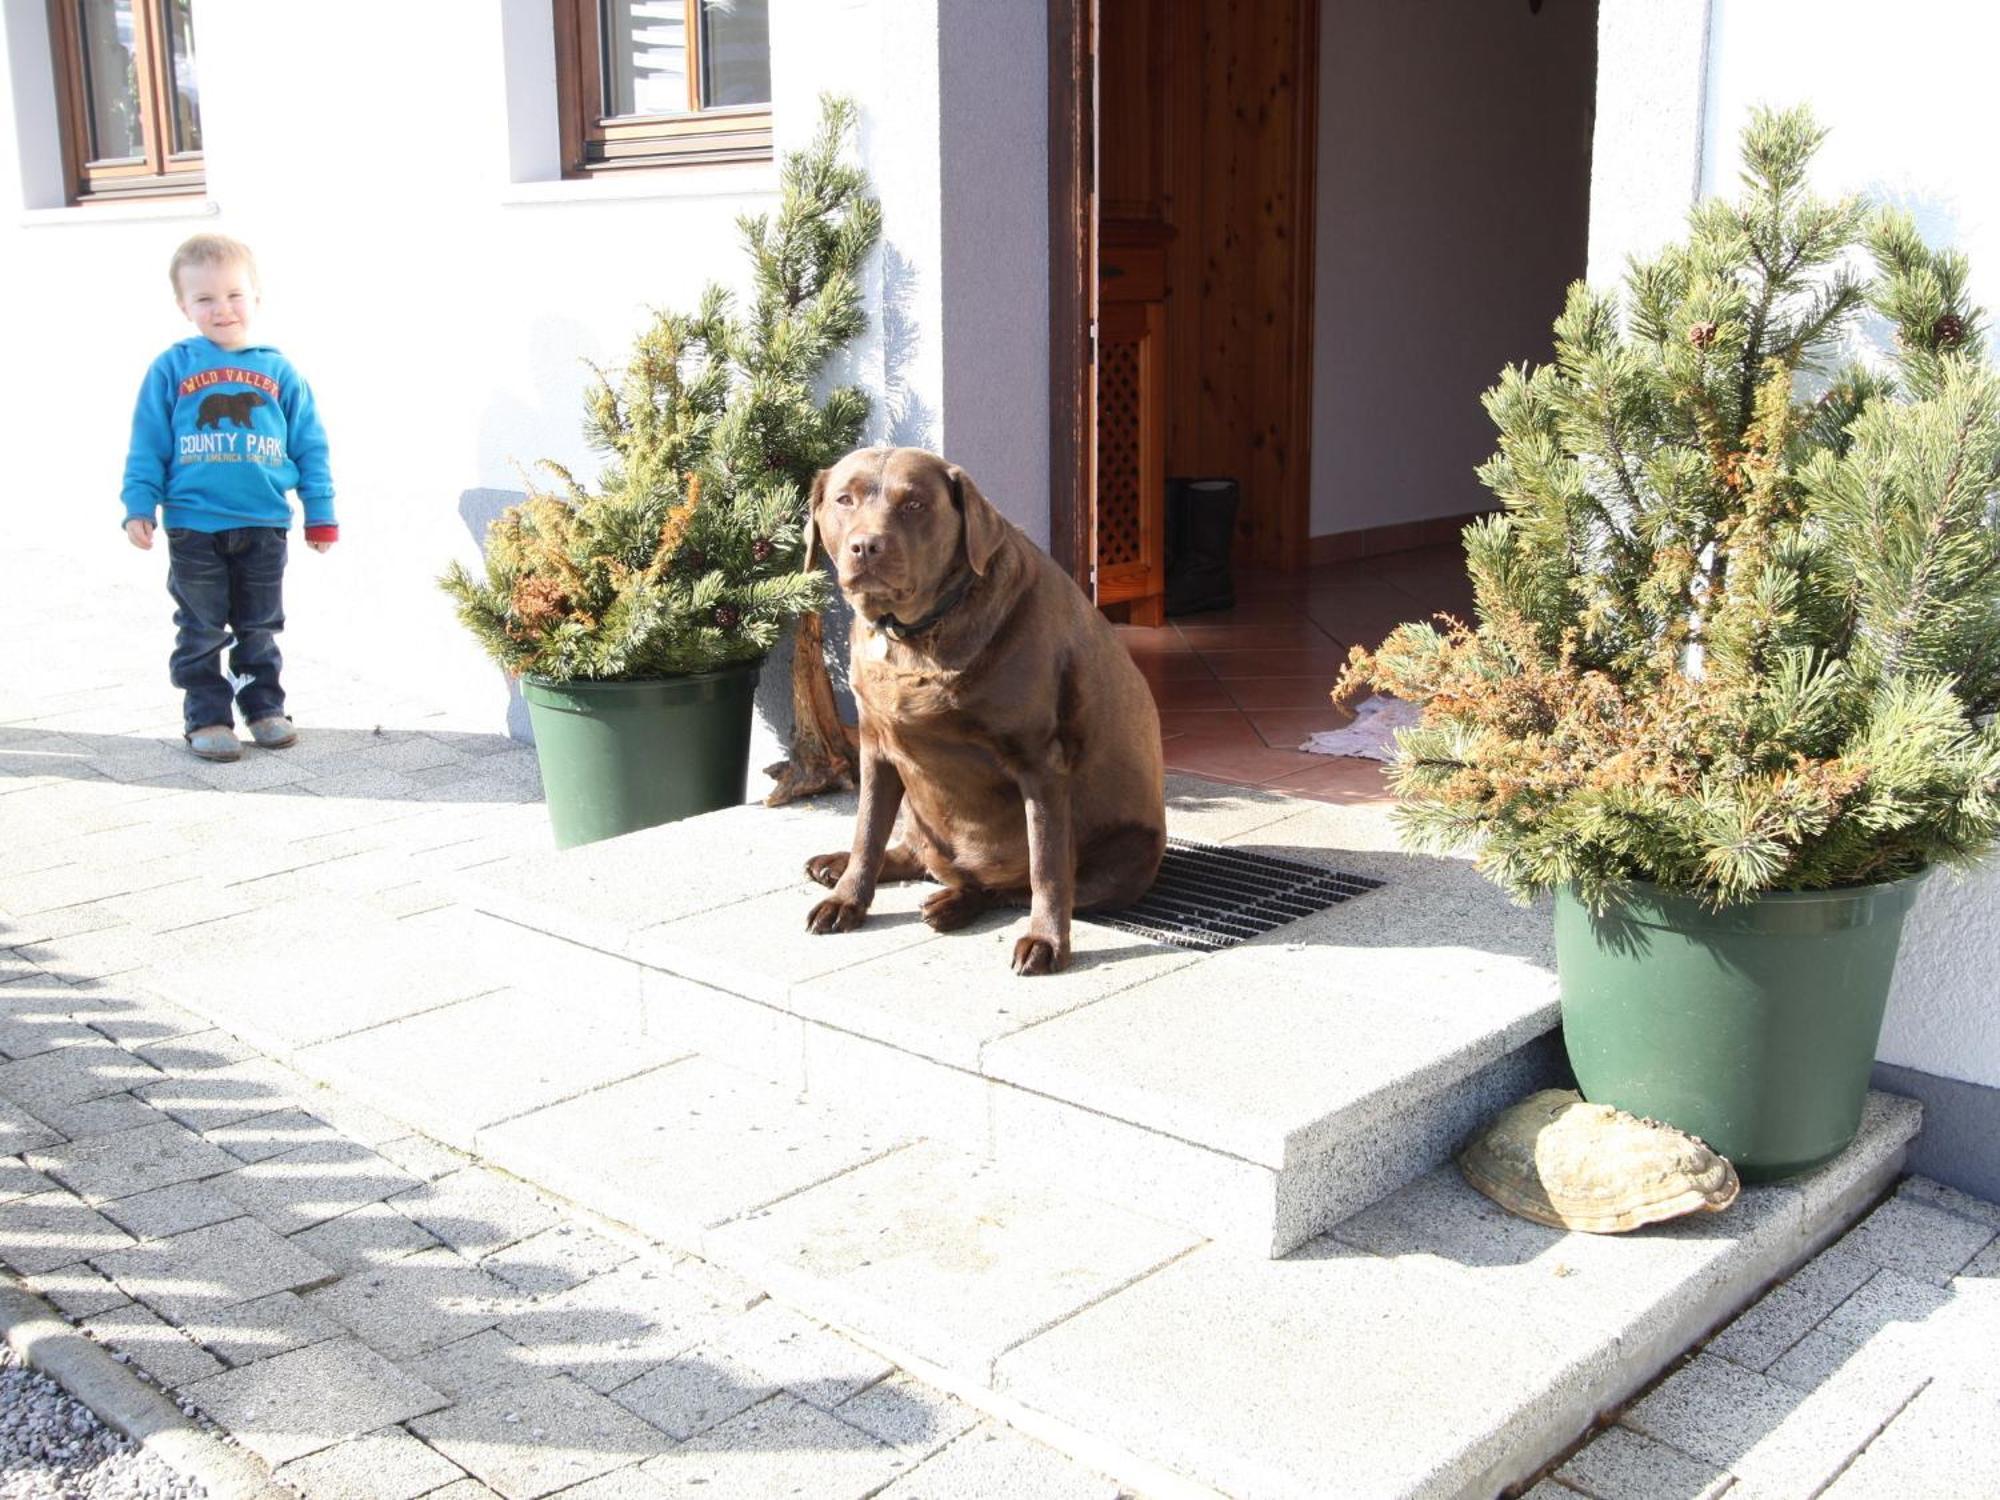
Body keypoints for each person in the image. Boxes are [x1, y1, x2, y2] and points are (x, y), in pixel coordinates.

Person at [120, 233, 337, 763]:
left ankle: (263, 706)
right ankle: (207, 717)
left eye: (234, 294)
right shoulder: (172, 368)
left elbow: (310, 445)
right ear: (184, 306)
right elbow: (148, 442)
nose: (222, 309)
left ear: (256, 296)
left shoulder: (279, 371)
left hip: (264, 522)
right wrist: (138, 504)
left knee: (259, 625)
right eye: (205, 299)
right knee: (201, 627)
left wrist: (321, 513)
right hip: (194, 525)